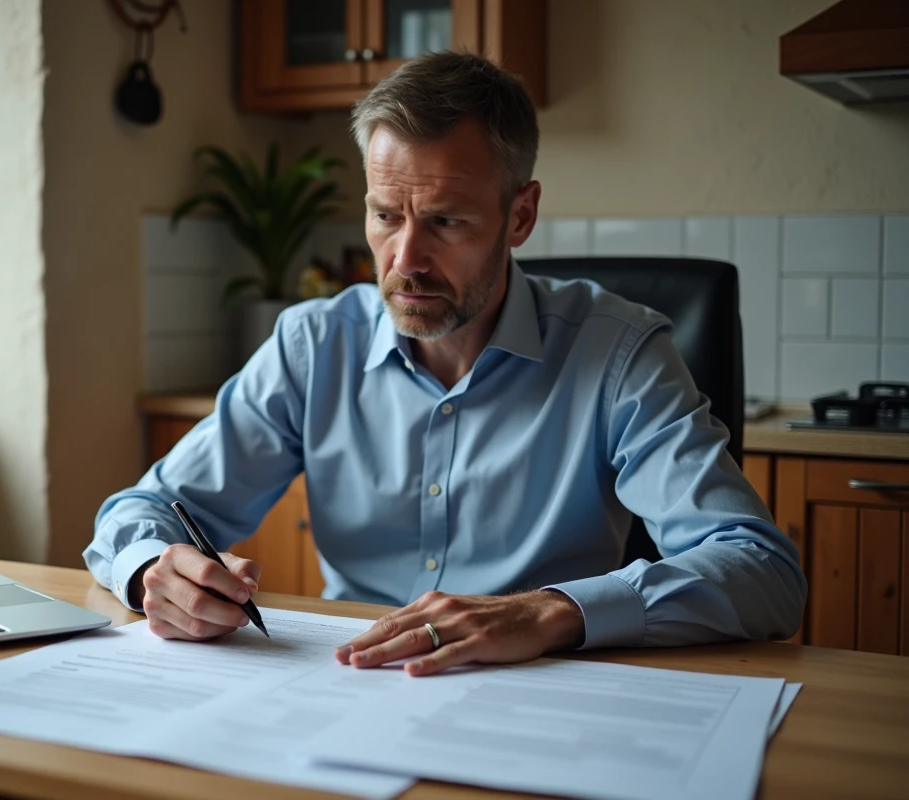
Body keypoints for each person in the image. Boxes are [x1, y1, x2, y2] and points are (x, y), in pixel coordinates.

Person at [85, 52, 806, 677]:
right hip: (344, 686)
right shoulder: (314, 346)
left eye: (446, 221)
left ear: (519, 216)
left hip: (546, 694)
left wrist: (550, 613)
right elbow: (142, 511)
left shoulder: (618, 356)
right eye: (385, 215)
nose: (404, 262)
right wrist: (155, 569)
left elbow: (762, 573)